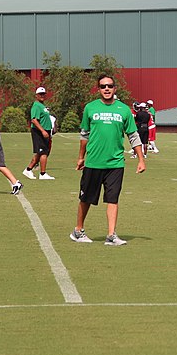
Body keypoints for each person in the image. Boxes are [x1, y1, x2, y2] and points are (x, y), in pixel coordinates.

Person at [70, 75, 146, 246]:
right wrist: (81, 157)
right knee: (86, 198)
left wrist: (141, 159)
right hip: (93, 162)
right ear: (98, 89)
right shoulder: (90, 108)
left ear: (114, 88)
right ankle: (78, 230)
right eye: (103, 86)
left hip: (116, 163)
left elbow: (133, 136)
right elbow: (84, 135)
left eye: (109, 86)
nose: (106, 89)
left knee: (113, 198)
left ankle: (111, 235)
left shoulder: (124, 110)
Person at [23, 86, 55, 180]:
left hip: (45, 131)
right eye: (40, 94)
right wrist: (43, 131)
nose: (42, 96)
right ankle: (43, 173)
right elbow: (34, 120)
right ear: (36, 95)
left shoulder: (42, 105)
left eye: (43, 94)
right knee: (43, 152)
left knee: (40, 152)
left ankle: (28, 170)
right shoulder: (36, 105)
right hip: (39, 132)